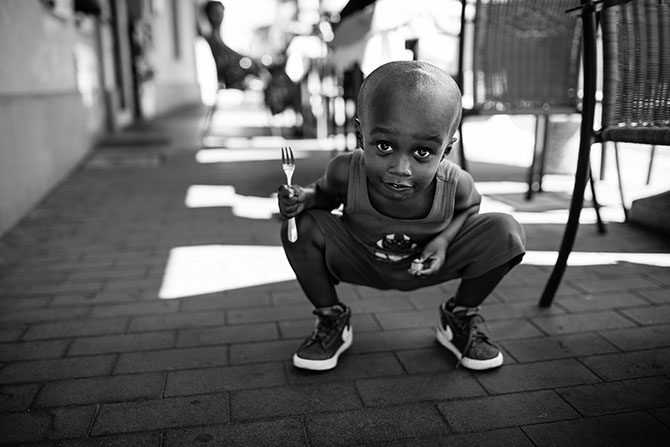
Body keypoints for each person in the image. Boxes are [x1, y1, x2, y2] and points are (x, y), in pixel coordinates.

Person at [277, 60, 526, 372]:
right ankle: (331, 318)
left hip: (428, 262)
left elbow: (469, 210)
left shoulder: (456, 184)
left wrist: (443, 241)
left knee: (505, 231)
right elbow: (323, 198)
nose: (401, 168)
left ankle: (459, 316)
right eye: (384, 146)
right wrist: (303, 198)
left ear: (446, 150)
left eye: (422, 152)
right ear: (360, 136)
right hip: (361, 259)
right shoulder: (345, 170)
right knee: (300, 227)